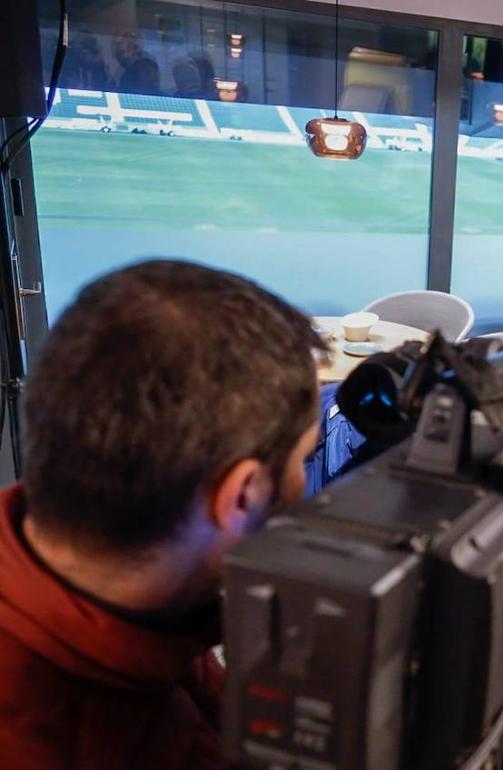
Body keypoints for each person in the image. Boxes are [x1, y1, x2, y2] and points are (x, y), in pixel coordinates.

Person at [0, 260, 323, 769]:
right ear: (241, 496)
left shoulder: (151, 598)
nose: (305, 485)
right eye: (302, 459)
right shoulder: (53, 740)